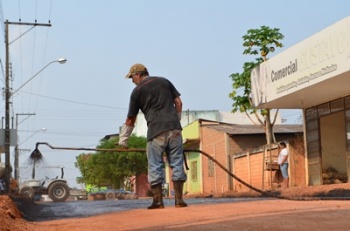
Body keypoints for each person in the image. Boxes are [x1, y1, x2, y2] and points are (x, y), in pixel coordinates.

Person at [118, 63, 187, 209]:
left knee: (155, 165)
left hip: (156, 131)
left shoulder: (137, 92)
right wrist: (176, 119)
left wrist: (123, 141)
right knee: (177, 162)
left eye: (132, 77)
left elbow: (131, 119)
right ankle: (179, 201)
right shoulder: (164, 81)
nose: (132, 81)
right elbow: (178, 102)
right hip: (175, 129)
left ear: (138, 74)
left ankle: (158, 201)